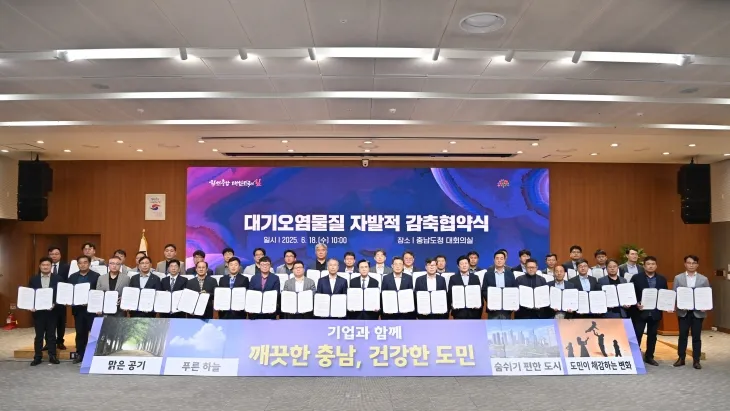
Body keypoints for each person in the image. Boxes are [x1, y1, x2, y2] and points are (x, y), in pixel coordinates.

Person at [673, 255, 711, 369]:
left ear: (697, 265)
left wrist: (705, 306)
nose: (691, 265)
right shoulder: (678, 278)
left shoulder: (703, 279)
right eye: (689, 263)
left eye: (694, 263)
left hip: (698, 312)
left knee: (696, 336)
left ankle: (696, 360)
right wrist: (677, 305)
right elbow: (675, 294)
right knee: (682, 336)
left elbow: (707, 295)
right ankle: (681, 358)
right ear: (685, 264)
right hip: (683, 312)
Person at [630, 255, 667, 366]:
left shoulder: (662, 279)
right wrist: (636, 303)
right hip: (639, 312)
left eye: (653, 264)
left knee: (652, 335)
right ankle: (634, 356)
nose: (651, 266)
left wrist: (666, 305)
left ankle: (649, 356)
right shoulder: (636, 278)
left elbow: (665, 295)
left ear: (656, 266)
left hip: (655, 312)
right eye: (648, 264)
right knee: (637, 334)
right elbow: (631, 293)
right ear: (644, 266)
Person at [67, 255, 100, 364]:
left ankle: (94, 355)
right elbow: (69, 292)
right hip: (78, 310)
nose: (83, 265)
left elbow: (98, 292)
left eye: (85, 262)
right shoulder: (72, 277)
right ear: (77, 264)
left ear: (89, 263)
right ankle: (80, 354)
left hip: (92, 310)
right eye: (80, 263)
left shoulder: (96, 276)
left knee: (94, 333)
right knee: (80, 333)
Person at [29, 257, 61, 366]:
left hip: (53, 311)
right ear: (40, 266)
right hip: (38, 312)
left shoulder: (58, 278)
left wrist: (54, 304)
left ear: (51, 266)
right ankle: (37, 356)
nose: (45, 267)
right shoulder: (34, 279)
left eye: (48, 265)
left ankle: (52, 356)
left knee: (51, 335)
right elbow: (30, 294)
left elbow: (60, 294)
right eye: (43, 265)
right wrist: (31, 305)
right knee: (39, 335)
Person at [483, 250, 518, 319]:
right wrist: (491, 301)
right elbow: (484, 290)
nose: (499, 260)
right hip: (493, 309)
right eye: (497, 258)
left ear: (505, 260)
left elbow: (514, 289)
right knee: (492, 326)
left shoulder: (510, 274)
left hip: (507, 309)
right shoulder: (487, 274)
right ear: (494, 260)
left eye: (501, 259)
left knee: (506, 325)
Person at [47, 246, 69, 351]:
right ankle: (48, 342)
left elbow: (68, 282)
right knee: (48, 322)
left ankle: (60, 341)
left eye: (56, 254)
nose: (54, 256)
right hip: (48, 298)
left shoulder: (66, 267)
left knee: (61, 321)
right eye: (51, 254)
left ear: (60, 255)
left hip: (61, 298)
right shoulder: (46, 265)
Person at [449, 255, 482, 320]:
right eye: (461, 264)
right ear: (458, 266)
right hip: (459, 312)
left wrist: (478, 304)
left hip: (473, 311)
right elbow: (450, 293)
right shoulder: (453, 278)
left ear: (469, 265)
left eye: (466, 263)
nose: (464, 265)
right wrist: (453, 304)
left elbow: (479, 293)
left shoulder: (475, 277)